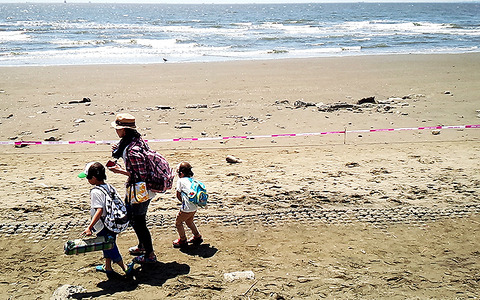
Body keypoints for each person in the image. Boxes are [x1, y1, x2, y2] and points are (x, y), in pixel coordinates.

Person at [107, 113, 157, 264]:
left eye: (118, 128)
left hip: (140, 190)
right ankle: (143, 246)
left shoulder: (132, 149)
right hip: (142, 190)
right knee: (137, 219)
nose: (116, 131)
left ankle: (149, 254)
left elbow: (140, 174)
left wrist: (119, 171)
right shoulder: (135, 141)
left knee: (138, 221)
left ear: (124, 130)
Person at [78, 161, 133, 278]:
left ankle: (125, 268)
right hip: (113, 222)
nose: (87, 180)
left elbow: (99, 211)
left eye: (88, 177)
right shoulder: (108, 186)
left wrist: (89, 227)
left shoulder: (96, 192)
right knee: (107, 244)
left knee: (109, 246)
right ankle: (107, 267)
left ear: (93, 178)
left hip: (104, 225)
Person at [173, 161, 203, 248]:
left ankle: (182, 240)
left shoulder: (181, 181)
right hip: (195, 206)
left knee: (178, 222)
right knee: (189, 221)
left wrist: (182, 202)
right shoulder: (192, 180)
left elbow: (178, 194)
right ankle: (197, 236)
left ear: (181, 173)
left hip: (187, 207)